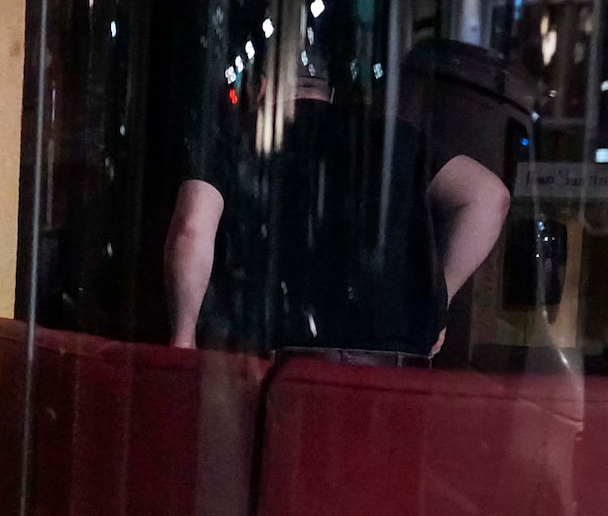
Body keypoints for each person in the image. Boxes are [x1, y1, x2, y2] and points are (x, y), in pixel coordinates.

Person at [164, 65, 509, 358]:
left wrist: (182, 339)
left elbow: (191, 229)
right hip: (385, 368)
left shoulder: (232, 139)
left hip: (263, 361)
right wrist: (435, 299)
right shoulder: (392, 141)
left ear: (263, 87)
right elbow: (489, 197)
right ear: (328, 93)